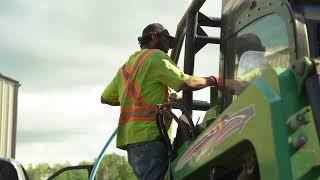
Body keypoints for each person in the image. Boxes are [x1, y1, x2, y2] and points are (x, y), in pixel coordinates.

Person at [101, 23, 241, 180]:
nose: (168, 47)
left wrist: (142, 101)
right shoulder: (155, 56)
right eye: (166, 40)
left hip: (133, 144)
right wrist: (217, 81)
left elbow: (106, 97)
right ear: (155, 36)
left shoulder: (126, 67)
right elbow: (186, 82)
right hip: (150, 139)